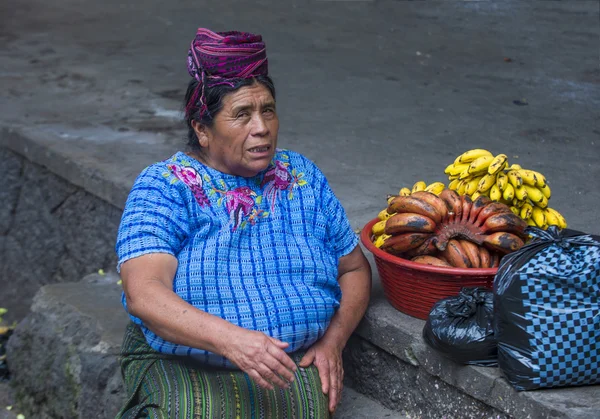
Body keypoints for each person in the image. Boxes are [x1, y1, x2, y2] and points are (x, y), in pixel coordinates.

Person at [115, 27, 371, 418]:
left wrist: (334, 341)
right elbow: (144, 294)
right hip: (185, 362)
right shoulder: (165, 186)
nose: (262, 127)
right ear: (202, 128)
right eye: (242, 114)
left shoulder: (301, 176)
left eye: (267, 109)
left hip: (281, 366)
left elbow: (354, 268)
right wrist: (233, 341)